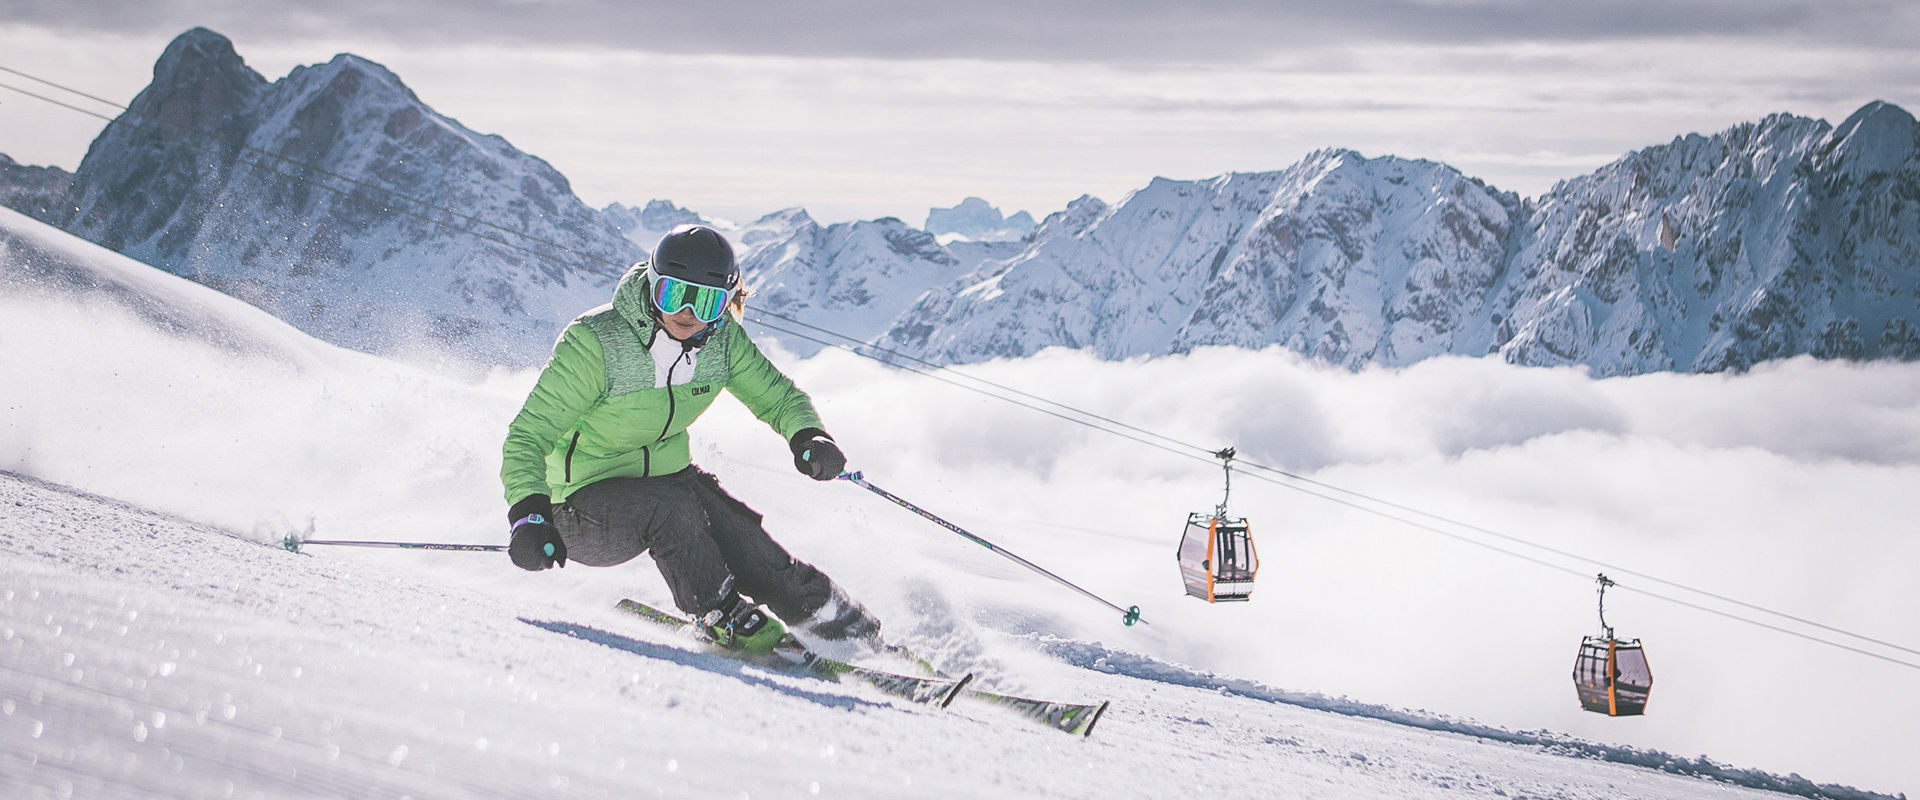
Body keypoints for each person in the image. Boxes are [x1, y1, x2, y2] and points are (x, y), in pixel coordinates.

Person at [500, 224, 882, 655]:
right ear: (651, 285)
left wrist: (809, 435)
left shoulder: (722, 343)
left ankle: (845, 629)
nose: (687, 312)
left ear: (725, 302)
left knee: (745, 540)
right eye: (672, 294)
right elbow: (527, 436)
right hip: (572, 510)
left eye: (706, 300)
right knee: (671, 508)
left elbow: (778, 397)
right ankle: (718, 612)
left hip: (666, 484)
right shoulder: (596, 343)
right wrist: (529, 516)